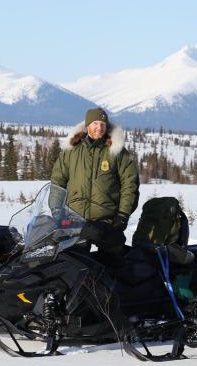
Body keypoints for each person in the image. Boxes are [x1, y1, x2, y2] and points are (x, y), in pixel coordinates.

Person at [50, 107, 140, 263]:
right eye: (95, 123)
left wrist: (123, 215)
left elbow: (130, 183)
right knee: (72, 266)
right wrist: (57, 209)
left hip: (107, 221)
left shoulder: (116, 151)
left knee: (114, 266)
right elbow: (58, 180)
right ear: (87, 125)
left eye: (103, 124)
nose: (99, 127)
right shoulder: (71, 150)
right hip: (75, 219)